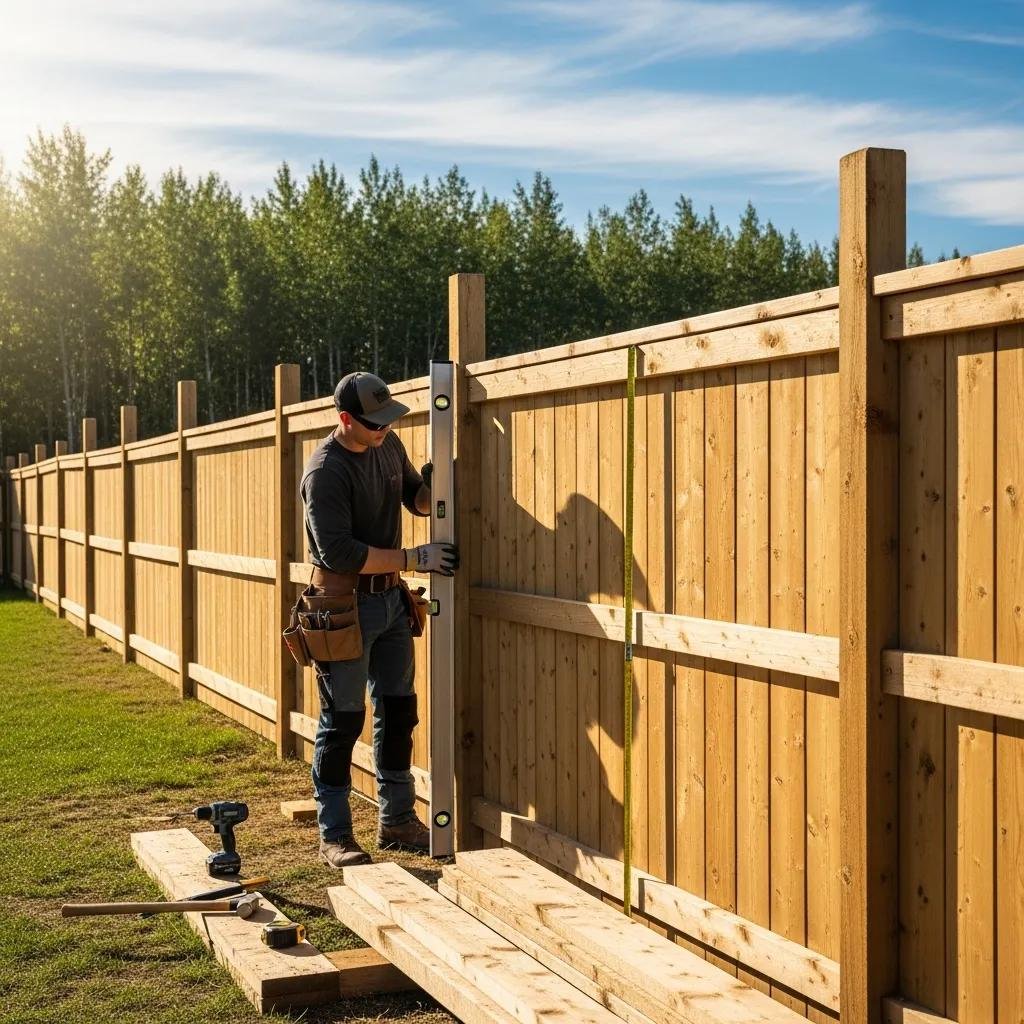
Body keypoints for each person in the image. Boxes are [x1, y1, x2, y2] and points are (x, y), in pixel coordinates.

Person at [300, 370, 459, 868]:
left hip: (390, 603)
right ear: (345, 419)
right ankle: (336, 834)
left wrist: (434, 488)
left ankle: (396, 818)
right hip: (343, 607)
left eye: (388, 422)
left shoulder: (387, 447)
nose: (384, 431)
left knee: (398, 713)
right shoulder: (324, 472)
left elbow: (412, 495)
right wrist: (415, 559)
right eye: (374, 425)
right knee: (343, 719)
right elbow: (341, 553)